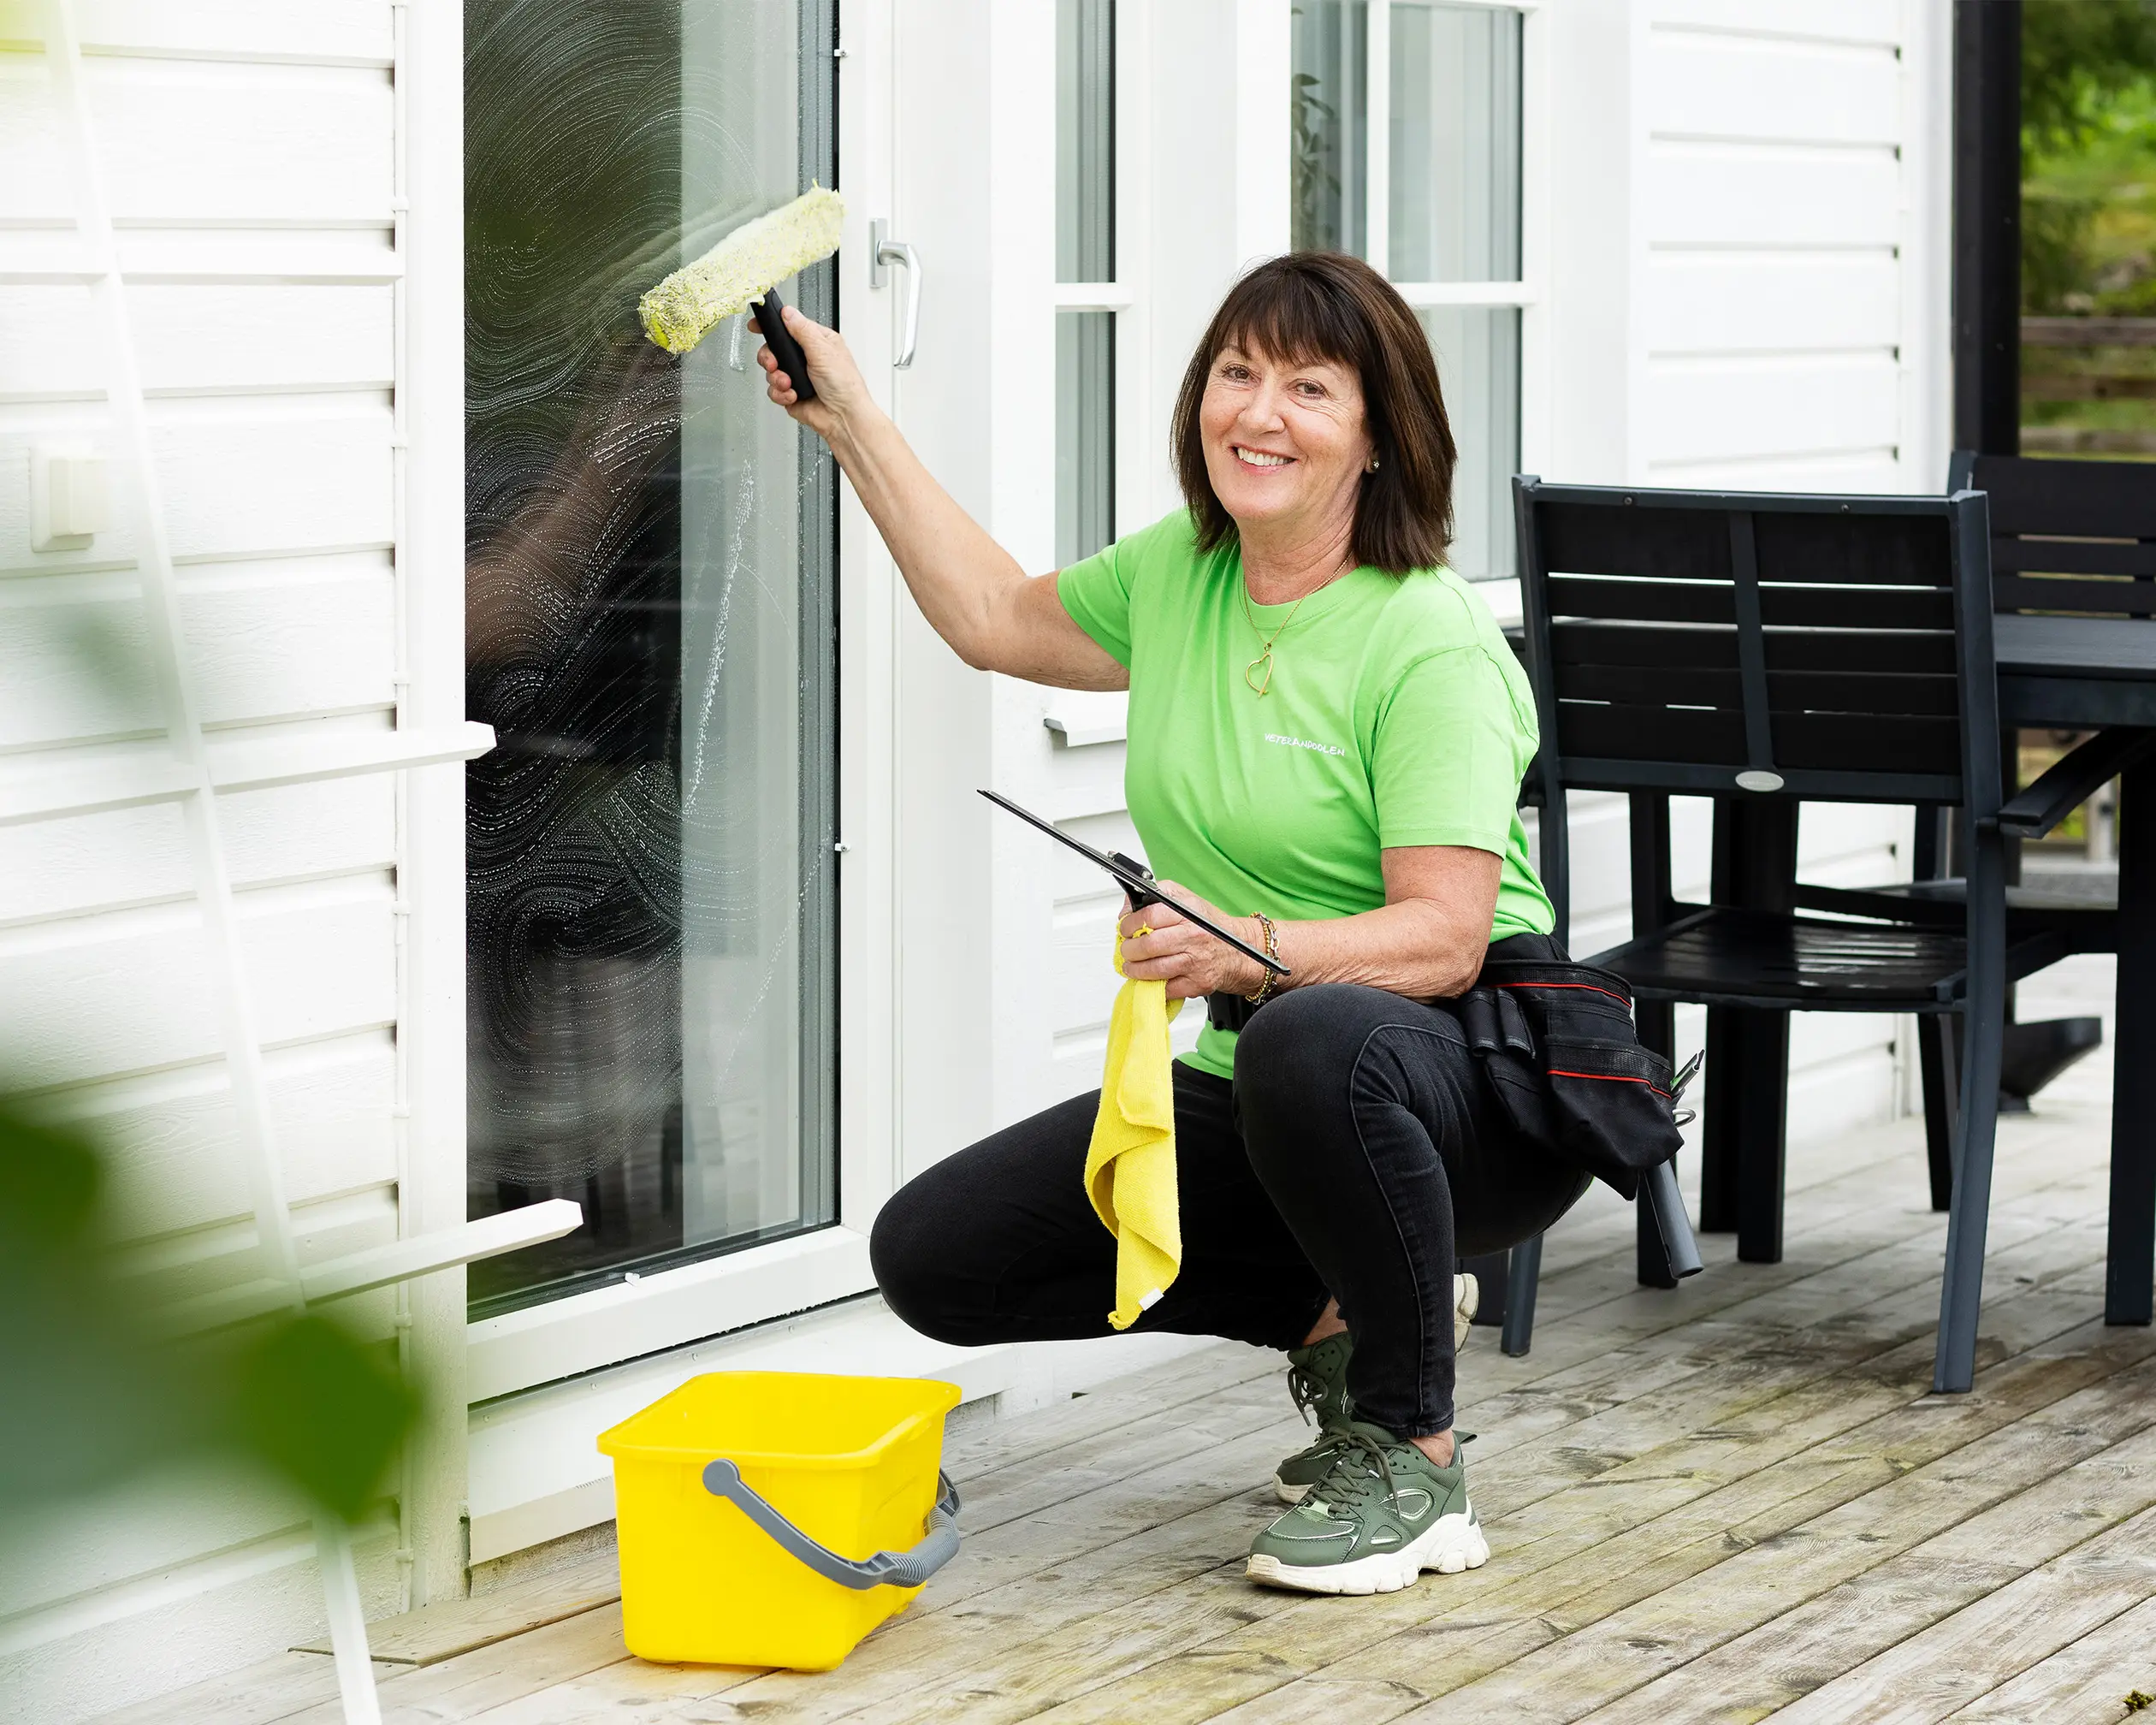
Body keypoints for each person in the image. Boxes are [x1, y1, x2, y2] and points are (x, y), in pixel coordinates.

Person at [755, 251, 1589, 1596]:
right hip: (1271, 1077)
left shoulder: (1428, 645)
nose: (1257, 412)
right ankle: (1344, 1315)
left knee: (1309, 1038)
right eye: (1237, 373)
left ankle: (1417, 1458)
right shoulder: (1186, 576)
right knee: (937, 1257)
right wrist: (853, 418)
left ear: (1381, 439)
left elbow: (1444, 938)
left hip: (1474, 1089)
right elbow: (990, 618)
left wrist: (1246, 944)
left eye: (1310, 387)